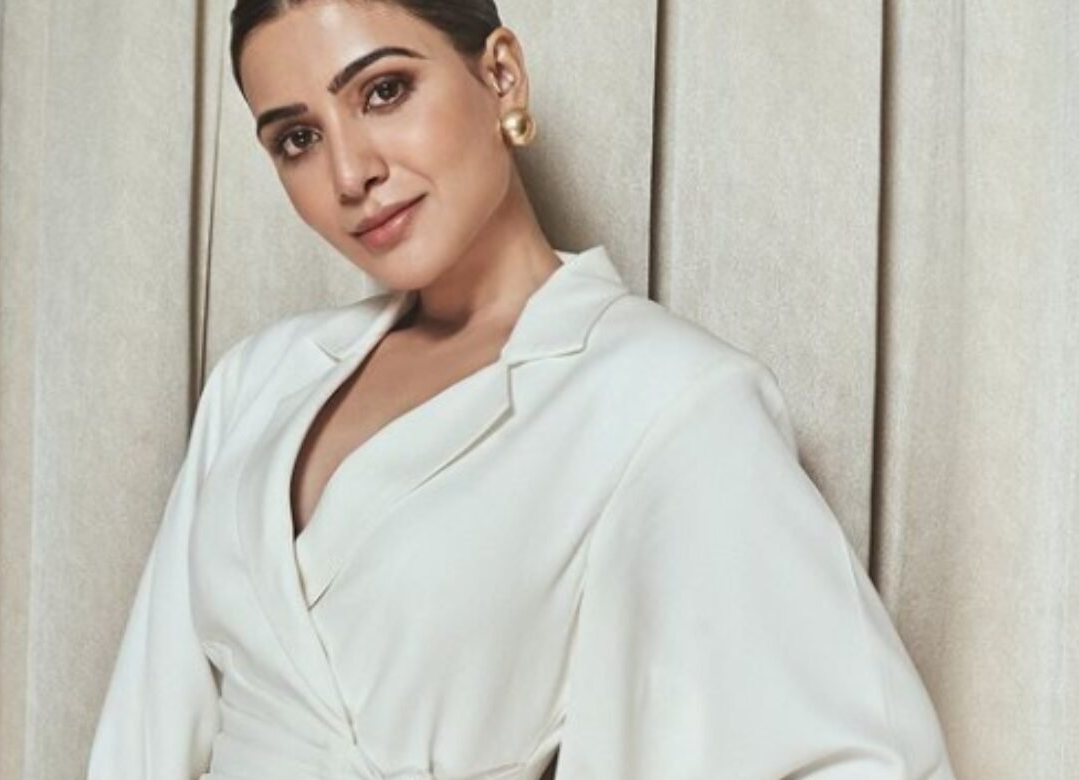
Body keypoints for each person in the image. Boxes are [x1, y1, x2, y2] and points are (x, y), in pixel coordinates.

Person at [87, 1, 957, 777]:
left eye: (383, 92)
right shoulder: (259, 380)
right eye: (298, 139)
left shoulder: (667, 398)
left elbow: (857, 755)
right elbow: (143, 735)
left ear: (501, 74)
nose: (350, 173)